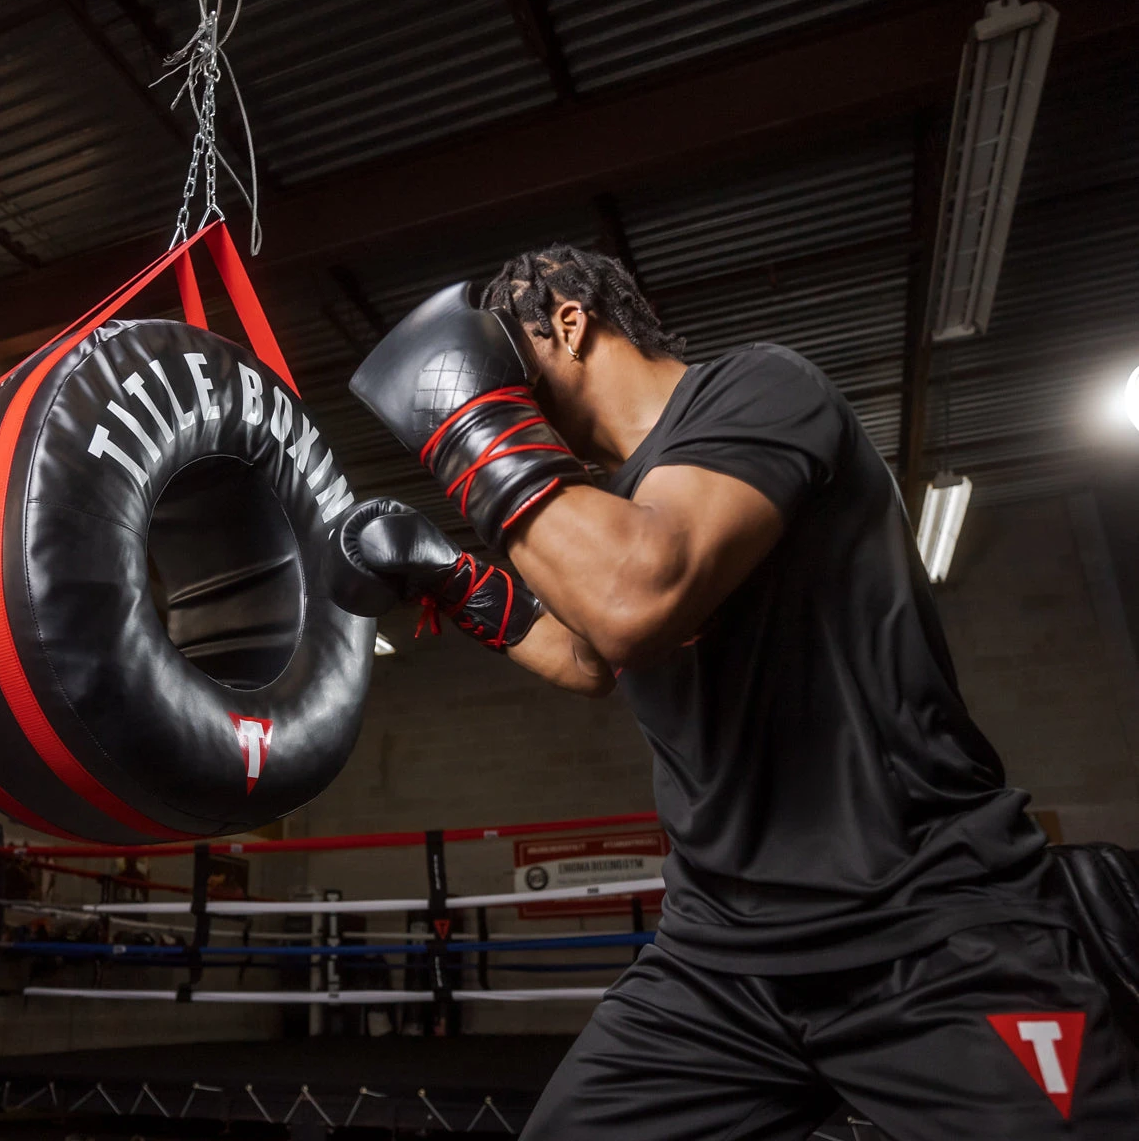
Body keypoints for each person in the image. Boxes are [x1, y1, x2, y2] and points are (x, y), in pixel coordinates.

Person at [333, 245, 1139, 1138]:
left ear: (569, 322)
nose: (500, 385)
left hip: (924, 927)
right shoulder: (612, 509)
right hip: (721, 960)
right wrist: (453, 580)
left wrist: (465, 425)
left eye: (503, 359)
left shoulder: (759, 389)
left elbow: (635, 599)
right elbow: (589, 656)